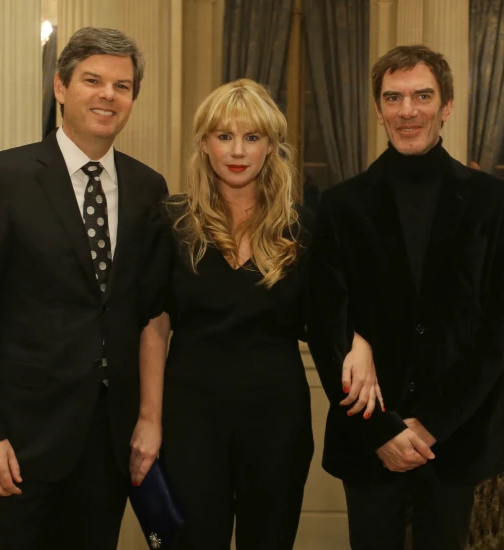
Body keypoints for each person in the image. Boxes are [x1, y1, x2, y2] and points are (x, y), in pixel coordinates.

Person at [129, 79, 383, 550]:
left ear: (271, 146)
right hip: (190, 415)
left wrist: (363, 342)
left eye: (252, 137)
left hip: (276, 418)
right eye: (224, 136)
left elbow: (336, 312)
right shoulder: (171, 221)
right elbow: (154, 325)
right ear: (205, 145)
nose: (237, 151)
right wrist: (149, 418)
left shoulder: (302, 227)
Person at [0, 27, 167, 550]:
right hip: (16, 443)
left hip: (106, 444)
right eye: (93, 80)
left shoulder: (147, 189)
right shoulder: (2, 178)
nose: (108, 96)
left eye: (122, 86)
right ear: (60, 87)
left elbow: (148, 312)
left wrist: (147, 419)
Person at [307, 45, 504, 550]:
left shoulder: (494, 201)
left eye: (422, 96)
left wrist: (432, 425)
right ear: (378, 109)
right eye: (394, 97)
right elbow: (325, 325)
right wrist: (382, 430)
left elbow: (500, 327)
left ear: (446, 105)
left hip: (458, 433)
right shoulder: (341, 205)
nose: (408, 110)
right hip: (367, 436)